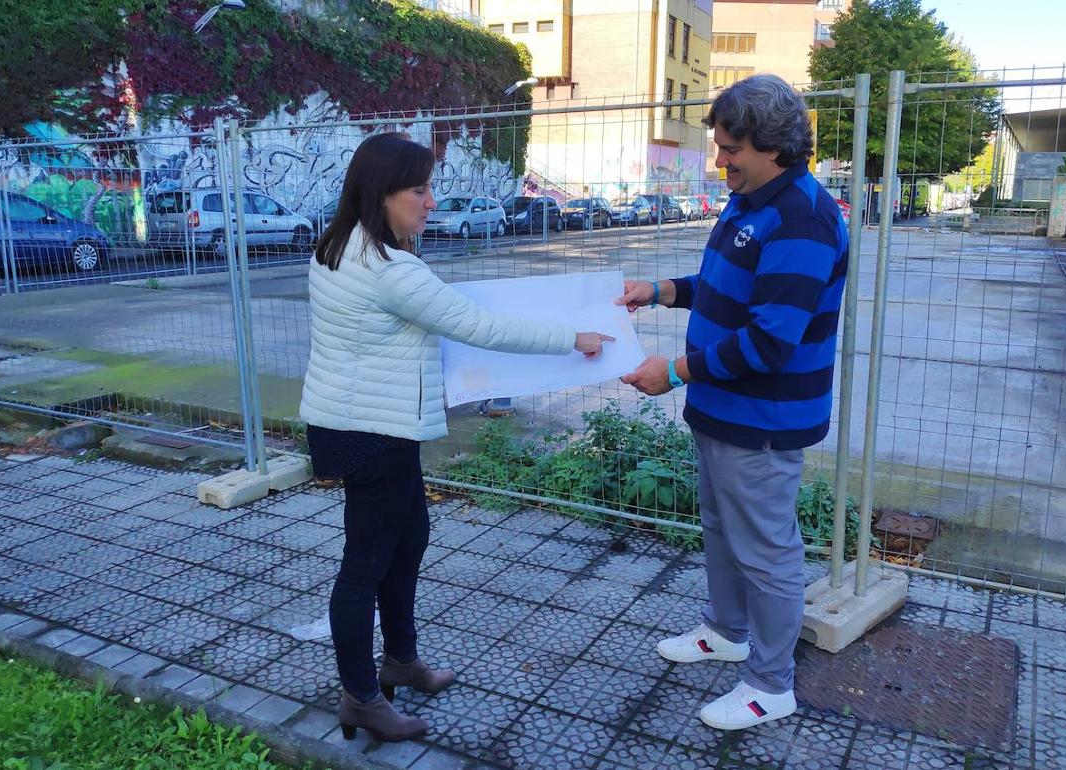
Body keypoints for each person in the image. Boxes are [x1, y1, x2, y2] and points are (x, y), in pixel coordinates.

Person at [300, 132, 614, 742]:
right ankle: (362, 696)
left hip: (356, 423)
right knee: (365, 565)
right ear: (382, 195)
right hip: (372, 431)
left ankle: (401, 659)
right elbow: (478, 325)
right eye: (419, 189)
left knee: (409, 536)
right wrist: (573, 337)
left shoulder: (335, 248)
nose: (430, 200)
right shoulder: (391, 271)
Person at [617, 74, 849, 731]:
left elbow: (771, 342)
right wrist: (659, 290)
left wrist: (679, 371)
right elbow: (725, 288)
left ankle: (770, 685)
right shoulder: (752, 200)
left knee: (767, 552)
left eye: (728, 149)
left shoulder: (801, 216)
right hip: (725, 412)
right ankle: (726, 631)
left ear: (771, 145)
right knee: (723, 531)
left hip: (763, 418)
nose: (719, 161)